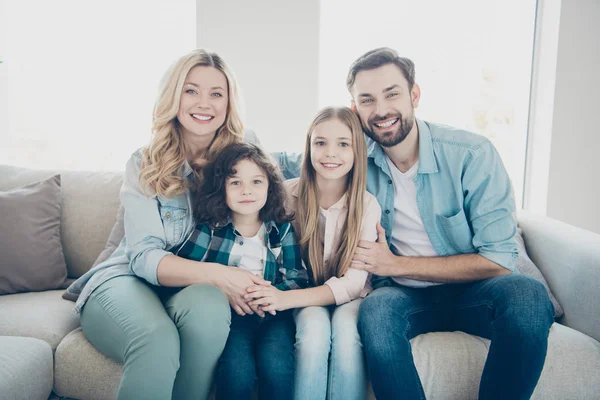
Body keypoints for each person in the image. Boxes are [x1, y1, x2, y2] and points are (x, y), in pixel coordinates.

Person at [344, 48, 555, 400]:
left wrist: (396, 264)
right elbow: (291, 166)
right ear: (355, 109)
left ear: (414, 95)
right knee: (376, 312)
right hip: (402, 294)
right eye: (367, 100)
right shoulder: (352, 158)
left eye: (392, 94)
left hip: (477, 290)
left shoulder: (471, 154)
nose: (380, 110)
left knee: (528, 297)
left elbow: (500, 260)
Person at [64, 49, 263, 400]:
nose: (204, 103)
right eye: (191, 90)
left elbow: (296, 183)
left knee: (210, 310)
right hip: (126, 279)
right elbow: (144, 258)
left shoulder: (246, 155)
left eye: (216, 93)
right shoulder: (145, 161)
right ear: (174, 96)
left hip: (193, 291)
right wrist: (221, 276)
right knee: (156, 337)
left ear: (229, 102)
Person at [245, 106, 381, 400]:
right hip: (304, 294)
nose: (330, 153)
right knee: (313, 335)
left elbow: (355, 283)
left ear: (357, 150)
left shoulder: (367, 205)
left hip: (352, 297)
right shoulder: (284, 195)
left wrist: (284, 299)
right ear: (308, 148)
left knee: (347, 336)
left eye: (343, 144)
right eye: (320, 143)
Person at [177, 142, 309, 400]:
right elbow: (188, 272)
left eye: (256, 182)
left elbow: (297, 278)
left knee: (277, 368)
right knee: (237, 372)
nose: (246, 191)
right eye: (235, 182)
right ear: (221, 188)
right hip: (231, 316)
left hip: (274, 315)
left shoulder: (280, 228)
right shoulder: (210, 228)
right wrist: (220, 289)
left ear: (270, 186)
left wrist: (271, 294)